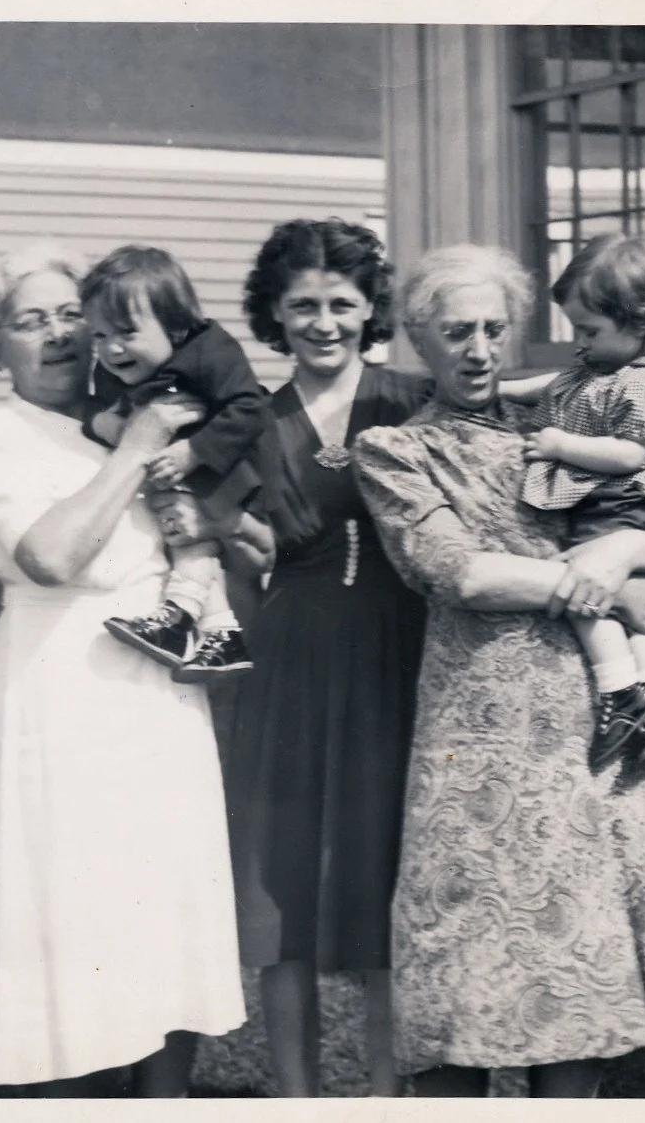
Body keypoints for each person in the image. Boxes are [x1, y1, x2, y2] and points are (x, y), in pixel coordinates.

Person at [352, 244, 645, 1098]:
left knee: (576, 969)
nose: (478, 350)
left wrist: (625, 550)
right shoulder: (397, 450)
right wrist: (598, 589)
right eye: (456, 332)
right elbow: (457, 572)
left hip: (586, 719)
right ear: (416, 342)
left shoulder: (573, 426)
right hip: (478, 730)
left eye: (494, 330)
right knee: (460, 975)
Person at [0, 243, 251, 1097]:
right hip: (59, 681)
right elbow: (49, 554)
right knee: (74, 913)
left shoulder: (132, 407)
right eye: (28, 321)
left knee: (168, 898)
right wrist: (142, 446)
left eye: (67, 317)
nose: (55, 335)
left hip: (154, 686)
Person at [216, 218, 431, 1096]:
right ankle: (297, 1098)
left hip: (401, 658)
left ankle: (388, 1094)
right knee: (285, 891)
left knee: (391, 882)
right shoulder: (251, 425)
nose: (323, 322)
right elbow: (231, 569)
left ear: (370, 308)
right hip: (290, 664)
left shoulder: (413, 401)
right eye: (301, 305)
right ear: (274, 313)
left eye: (341, 303)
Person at [517, 233, 645, 770]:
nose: (581, 342)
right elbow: (562, 383)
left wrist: (559, 444)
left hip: (622, 502)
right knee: (625, 611)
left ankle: (620, 691)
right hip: (619, 505)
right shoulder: (611, 364)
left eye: (590, 330)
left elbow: (629, 453)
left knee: (583, 591)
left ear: (639, 324)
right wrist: (509, 392)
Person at [82, 245, 269, 682]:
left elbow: (249, 407)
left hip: (228, 469)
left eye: (127, 332)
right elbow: (104, 412)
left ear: (176, 324)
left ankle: (177, 615)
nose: (111, 349)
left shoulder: (211, 350)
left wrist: (194, 451)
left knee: (187, 531)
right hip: (174, 473)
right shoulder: (111, 372)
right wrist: (103, 424)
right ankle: (222, 633)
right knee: (175, 530)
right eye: (99, 335)